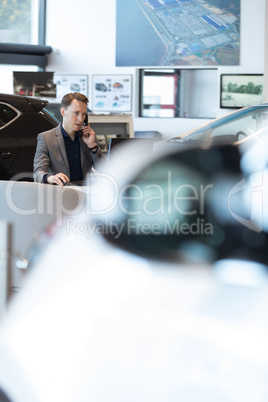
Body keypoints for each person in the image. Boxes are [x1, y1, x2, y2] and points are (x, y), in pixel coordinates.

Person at [33, 92, 103, 185]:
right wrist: (50, 178)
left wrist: (92, 146)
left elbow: (105, 168)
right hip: (60, 192)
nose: (80, 119)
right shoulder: (46, 138)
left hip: (85, 193)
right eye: (76, 113)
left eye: (83, 114)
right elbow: (38, 172)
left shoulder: (88, 137)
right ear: (63, 112)